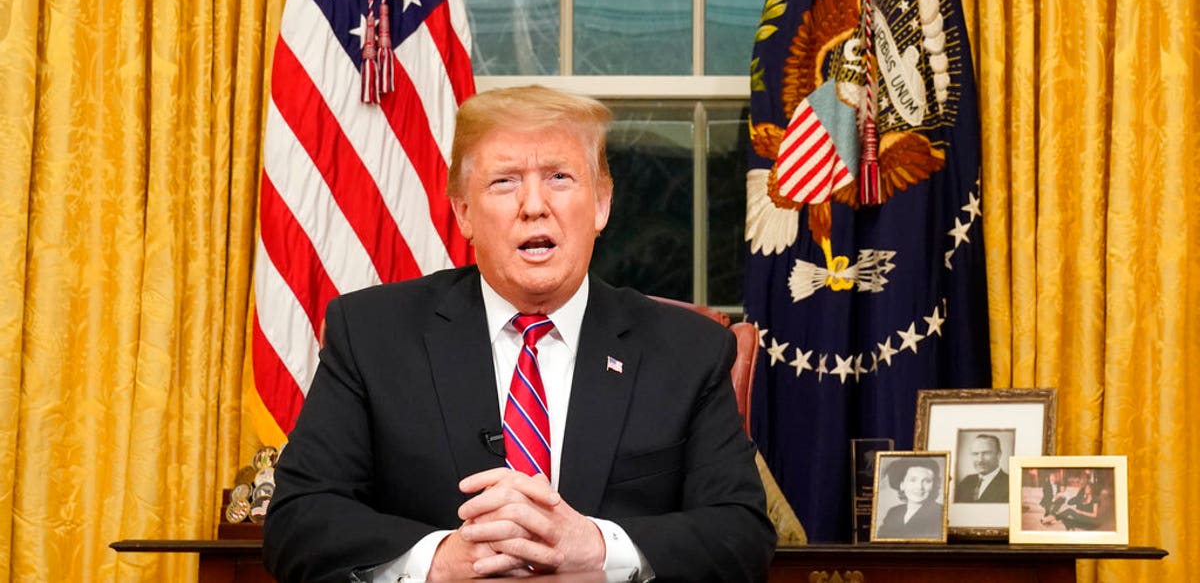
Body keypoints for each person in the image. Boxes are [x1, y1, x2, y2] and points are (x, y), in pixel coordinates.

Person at [262, 85, 776, 582]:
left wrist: (597, 550)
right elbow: (298, 522)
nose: (534, 205)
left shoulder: (689, 350)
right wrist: (441, 561)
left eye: (559, 177)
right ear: (463, 212)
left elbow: (741, 534)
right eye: (504, 181)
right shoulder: (372, 335)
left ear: (601, 204)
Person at [874, 457, 945, 540]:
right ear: (902, 485)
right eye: (913, 480)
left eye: (927, 481)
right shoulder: (894, 512)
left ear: (934, 485)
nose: (919, 487)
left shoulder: (940, 512)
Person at [954, 433, 1009, 503]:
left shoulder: (1009, 484)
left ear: (998, 455)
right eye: (975, 454)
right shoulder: (966, 481)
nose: (980, 460)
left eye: (986, 453)